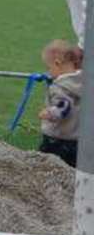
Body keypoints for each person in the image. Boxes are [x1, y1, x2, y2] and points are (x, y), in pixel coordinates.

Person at [38, 39, 82, 167]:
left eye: (48, 67)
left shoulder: (61, 87)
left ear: (57, 63)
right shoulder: (84, 81)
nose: (48, 72)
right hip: (78, 140)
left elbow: (64, 106)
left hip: (57, 141)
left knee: (43, 168)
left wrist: (50, 113)